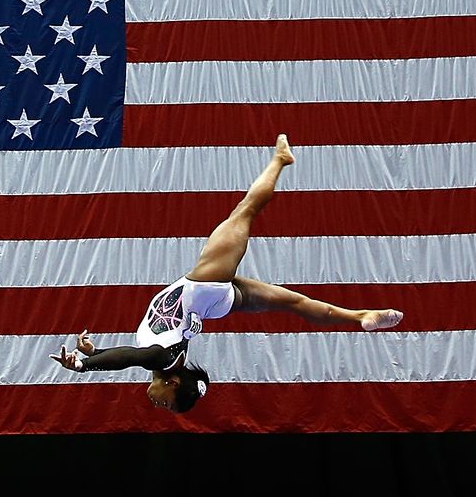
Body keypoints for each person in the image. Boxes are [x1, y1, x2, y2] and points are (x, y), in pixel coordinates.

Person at [49, 134, 404, 414]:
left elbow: (127, 353)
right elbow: (129, 357)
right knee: (245, 211)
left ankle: (361, 316)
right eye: (167, 403)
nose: (158, 404)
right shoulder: (162, 359)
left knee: (295, 303)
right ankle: (280, 160)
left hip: (215, 301)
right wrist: (84, 366)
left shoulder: (163, 359)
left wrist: (92, 355)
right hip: (206, 286)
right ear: (174, 383)